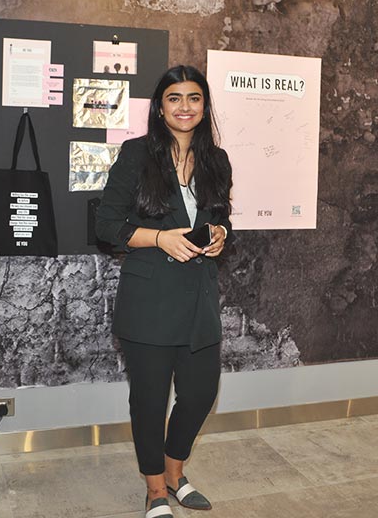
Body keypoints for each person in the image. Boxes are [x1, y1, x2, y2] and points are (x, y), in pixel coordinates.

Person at [96, 65, 233, 517]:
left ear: (204, 106)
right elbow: (107, 225)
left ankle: (176, 473)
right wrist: (159, 238)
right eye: (174, 98)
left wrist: (220, 234)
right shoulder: (137, 154)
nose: (184, 107)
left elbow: (221, 217)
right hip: (149, 301)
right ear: (160, 107)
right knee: (150, 402)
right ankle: (156, 488)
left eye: (194, 98)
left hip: (199, 299)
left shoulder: (217, 161)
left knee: (199, 394)